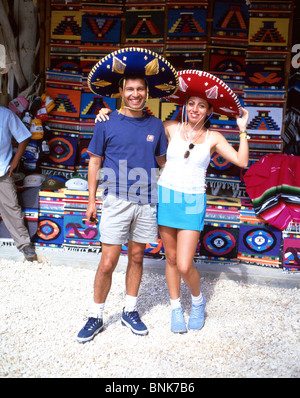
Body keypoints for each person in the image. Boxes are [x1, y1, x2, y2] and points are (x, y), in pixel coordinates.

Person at [96, 69, 249, 334]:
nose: (195, 109)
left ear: (209, 111)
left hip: (192, 201)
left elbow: (242, 161)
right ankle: (176, 308)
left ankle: (198, 301)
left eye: (201, 106)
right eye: (191, 104)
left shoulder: (214, 137)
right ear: (184, 106)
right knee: (171, 259)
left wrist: (243, 131)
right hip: (165, 196)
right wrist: (106, 112)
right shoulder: (169, 127)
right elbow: (140, 125)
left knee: (184, 263)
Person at [76, 47, 178, 343]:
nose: (135, 93)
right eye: (130, 89)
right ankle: (96, 315)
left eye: (140, 89)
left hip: (147, 202)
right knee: (108, 261)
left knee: (136, 257)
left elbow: (163, 163)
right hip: (116, 200)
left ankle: (129, 311)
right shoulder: (106, 122)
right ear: (120, 92)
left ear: (147, 93)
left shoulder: (155, 125)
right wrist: (91, 199)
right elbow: (94, 161)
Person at [0, 105, 37, 261]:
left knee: (11, 207)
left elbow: (23, 137)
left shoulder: (6, 114)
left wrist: (14, 162)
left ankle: (24, 244)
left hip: (1, 170)